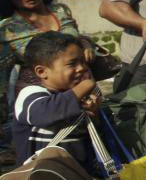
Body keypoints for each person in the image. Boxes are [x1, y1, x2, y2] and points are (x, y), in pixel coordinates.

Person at [0, 0, 94, 125]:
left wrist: (85, 44)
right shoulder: (7, 29)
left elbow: (76, 37)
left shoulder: (60, 11)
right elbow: (1, 77)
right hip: (44, 99)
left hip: (83, 86)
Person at [13, 31, 99, 167]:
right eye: (72, 64)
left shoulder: (78, 98)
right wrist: (86, 84)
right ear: (42, 71)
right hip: (41, 179)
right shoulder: (30, 94)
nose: (82, 68)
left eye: (82, 62)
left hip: (79, 176)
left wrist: (94, 114)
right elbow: (46, 113)